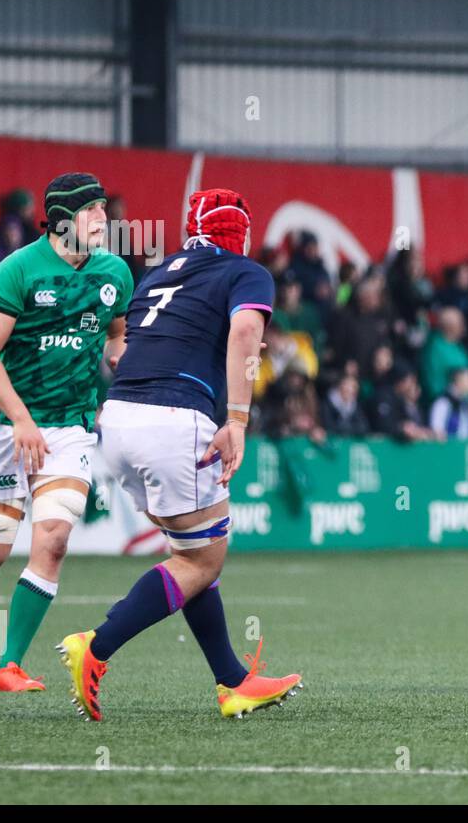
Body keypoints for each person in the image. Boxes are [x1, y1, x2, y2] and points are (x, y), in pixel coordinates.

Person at [56, 188, 302, 721]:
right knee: (201, 559)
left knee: (189, 556)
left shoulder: (159, 271)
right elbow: (245, 330)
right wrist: (236, 419)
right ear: (242, 231)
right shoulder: (246, 271)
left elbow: (118, 349)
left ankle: (233, 681)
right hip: (173, 420)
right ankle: (96, 647)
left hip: (119, 419)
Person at [0, 173, 132, 693]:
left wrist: (127, 383)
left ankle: (7, 665)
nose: (101, 219)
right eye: (90, 211)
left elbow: (116, 340)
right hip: (7, 425)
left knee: (55, 538)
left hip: (70, 428)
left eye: (103, 209)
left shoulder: (114, 273)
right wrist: (20, 419)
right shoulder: (16, 271)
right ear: (62, 220)